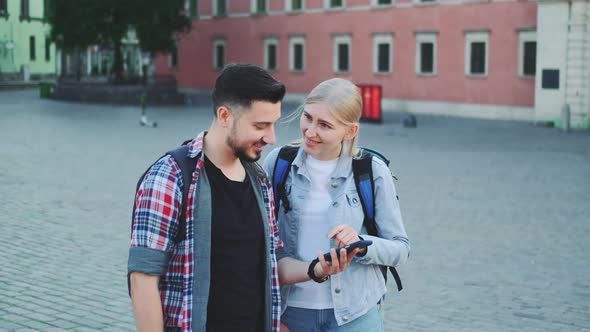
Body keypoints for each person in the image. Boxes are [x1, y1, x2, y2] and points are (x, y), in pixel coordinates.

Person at [128, 64, 291, 332]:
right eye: (261, 125)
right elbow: (143, 278)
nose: (271, 138)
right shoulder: (170, 177)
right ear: (225, 115)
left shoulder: (259, 179)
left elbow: (272, 257)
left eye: (273, 124)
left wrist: (317, 269)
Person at [263, 78, 410, 332]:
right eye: (307, 117)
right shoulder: (278, 164)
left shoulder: (371, 171)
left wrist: (361, 245)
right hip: (291, 313)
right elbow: (261, 244)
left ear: (350, 131)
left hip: (355, 315)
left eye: (324, 125)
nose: (310, 131)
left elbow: (401, 249)